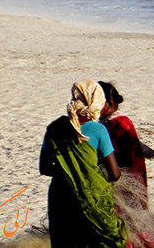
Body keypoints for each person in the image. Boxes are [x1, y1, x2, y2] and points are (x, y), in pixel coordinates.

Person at [40, 79, 127, 248]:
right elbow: (115, 174)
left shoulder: (54, 128)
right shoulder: (98, 130)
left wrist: (69, 172)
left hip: (61, 198)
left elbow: (44, 168)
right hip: (91, 199)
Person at [99, 81, 154, 248]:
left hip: (124, 186)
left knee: (129, 228)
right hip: (113, 183)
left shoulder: (121, 124)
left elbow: (130, 161)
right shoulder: (104, 125)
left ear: (109, 104)